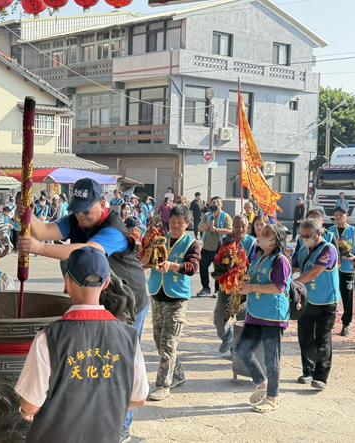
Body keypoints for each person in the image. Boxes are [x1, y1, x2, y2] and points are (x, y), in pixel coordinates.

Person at [17, 178, 149, 442]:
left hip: (126, 301)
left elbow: (89, 250)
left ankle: (120, 426)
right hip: (95, 297)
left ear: (103, 203)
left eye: (86, 210)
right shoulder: (75, 220)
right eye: (77, 210)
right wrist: (27, 214)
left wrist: (39, 249)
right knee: (89, 358)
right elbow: (43, 230)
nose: (81, 216)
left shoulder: (115, 229)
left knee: (116, 361)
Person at [147, 205, 200, 401]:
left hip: (176, 299)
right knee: (159, 340)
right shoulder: (160, 238)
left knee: (169, 343)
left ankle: (163, 385)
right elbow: (149, 257)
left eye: (180, 223)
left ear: (187, 224)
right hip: (157, 294)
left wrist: (173, 266)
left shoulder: (192, 243)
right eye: (173, 222)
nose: (175, 226)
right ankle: (177, 374)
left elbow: (192, 267)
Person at [236, 224, 291, 413]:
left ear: (276, 240)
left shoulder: (281, 260)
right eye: (262, 232)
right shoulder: (260, 258)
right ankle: (261, 383)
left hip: (272, 316)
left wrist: (252, 288)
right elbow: (251, 279)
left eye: (267, 234)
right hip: (255, 313)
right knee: (242, 350)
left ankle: (272, 397)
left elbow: (278, 287)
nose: (261, 235)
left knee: (271, 359)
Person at [294, 219, 340, 390]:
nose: (305, 239)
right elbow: (293, 266)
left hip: (326, 300)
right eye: (302, 236)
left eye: (308, 236)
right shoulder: (303, 249)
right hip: (307, 299)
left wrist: (292, 284)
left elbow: (314, 272)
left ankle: (321, 376)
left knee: (322, 338)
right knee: (305, 337)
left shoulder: (328, 249)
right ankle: (308, 370)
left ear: (319, 233)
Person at [214, 215, 257, 353]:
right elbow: (217, 261)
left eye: (243, 226)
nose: (240, 229)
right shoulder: (226, 241)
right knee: (219, 319)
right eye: (237, 226)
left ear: (247, 227)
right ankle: (227, 336)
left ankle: (237, 350)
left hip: (243, 287)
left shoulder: (253, 243)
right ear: (232, 227)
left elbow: (254, 264)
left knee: (241, 321)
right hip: (226, 286)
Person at [329, 208, 355, 337]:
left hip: (348, 268)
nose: (338, 217)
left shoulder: (354, 231)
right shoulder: (330, 230)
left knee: (347, 298)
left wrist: (354, 257)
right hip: (332, 269)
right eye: (336, 215)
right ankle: (330, 321)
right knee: (331, 296)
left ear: (346, 216)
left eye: (341, 215)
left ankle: (346, 324)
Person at [197, 196, 232, 297]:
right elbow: (200, 227)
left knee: (219, 270)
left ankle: (217, 290)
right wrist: (209, 225)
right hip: (206, 247)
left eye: (218, 202)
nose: (215, 204)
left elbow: (230, 230)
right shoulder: (207, 215)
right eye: (213, 202)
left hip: (219, 248)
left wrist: (217, 230)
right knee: (203, 267)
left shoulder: (226, 216)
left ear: (221, 205)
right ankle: (205, 288)